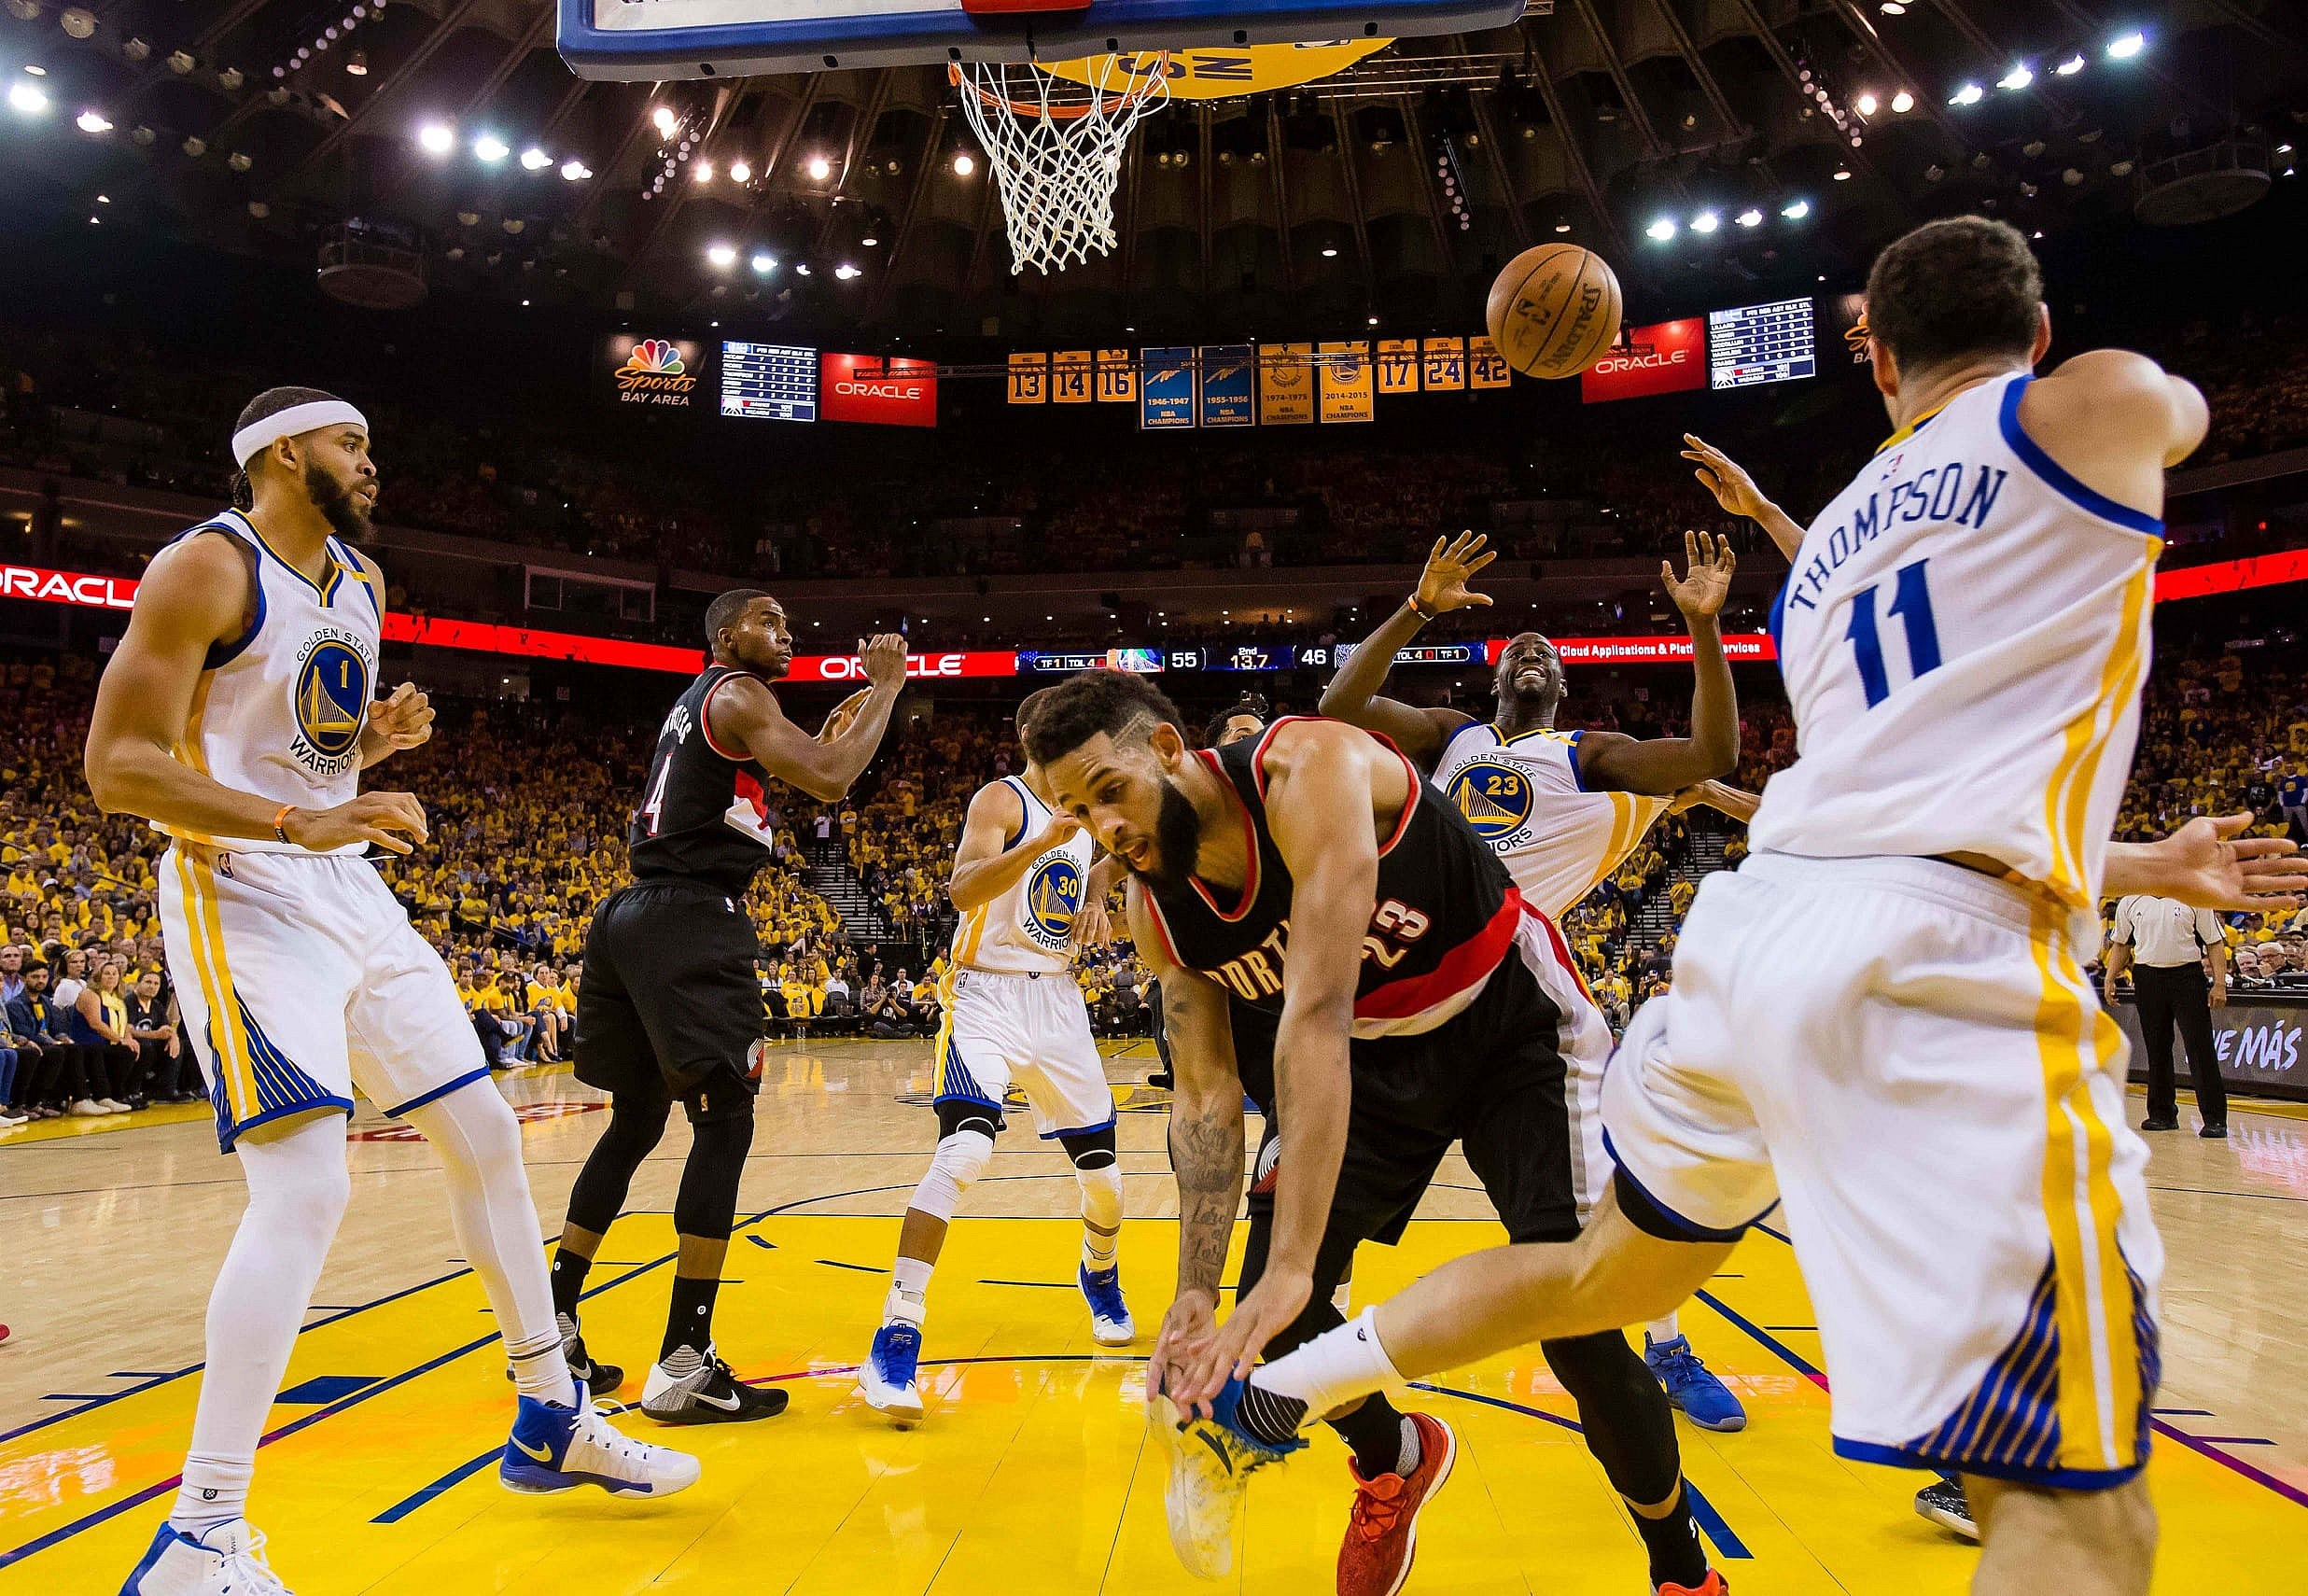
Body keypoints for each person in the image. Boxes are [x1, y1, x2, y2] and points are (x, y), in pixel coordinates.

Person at [1162, 217, 2308, 1596]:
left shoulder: (1812, 581)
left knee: (1591, 1279)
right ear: (2040, 334)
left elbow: (1816, 789)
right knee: (2072, 1500)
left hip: (1723, 943)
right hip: (1923, 953)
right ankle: (1374, 1420)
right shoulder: (2082, 406)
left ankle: (1305, 1393)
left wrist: (1751, 571)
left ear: (1873, 357)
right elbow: (2154, 428)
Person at [89, 385, 695, 1596]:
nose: (371, 458)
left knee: (485, 1134)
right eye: (349, 440)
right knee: (309, 1182)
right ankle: (198, 1534)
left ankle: (547, 1411)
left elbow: (286, 741)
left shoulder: (359, 581)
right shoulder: (206, 565)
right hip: (242, 891)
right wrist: (299, 814)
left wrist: (363, 750)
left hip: (346, 882)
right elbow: (120, 766)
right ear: (279, 453)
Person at [1025, 670, 1726, 1596]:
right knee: (1273, 1326)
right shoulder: (1161, 913)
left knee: (1576, 1309)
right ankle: (1395, 1453)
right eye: (1076, 814)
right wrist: (1193, 1293)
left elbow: (1311, 1014)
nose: (1104, 829)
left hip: (1506, 1023)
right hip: (1370, 1056)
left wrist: (1290, 1262)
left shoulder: (1306, 767)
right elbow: (1203, 1098)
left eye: (1108, 792)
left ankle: (1681, 1569)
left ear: (1165, 750)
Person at [1321, 527, 1754, 1434]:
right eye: (1516, 649)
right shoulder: (1451, 737)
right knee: (1332, 1180)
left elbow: (1712, 751)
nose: (1530, 653)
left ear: (1560, 688)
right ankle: (1323, 1339)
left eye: (1546, 656)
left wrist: (1704, 630)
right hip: (1417, 971)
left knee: (1590, 1204)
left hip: (1519, 984)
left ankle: (1665, 1346)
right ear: (1493, 680)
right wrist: (1417, 608)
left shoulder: (1590, 755)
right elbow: (1340, 703)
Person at [550, 590, 907, 1424]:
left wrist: (836, 729)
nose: (786, 633)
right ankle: (684, 1362)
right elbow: (829, 777)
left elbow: (807, 760)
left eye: (788, 623)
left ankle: (552, 1323)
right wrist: (887, 688)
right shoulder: (742, 694)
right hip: (689, 917)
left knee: (635, 1122)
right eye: (769, 621)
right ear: (724, 635)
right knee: (723, 1124)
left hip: (629, 915)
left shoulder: (700, 704)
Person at [860, 708, 1132, 1425]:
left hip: (1059, 1000)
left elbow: (1122, 853)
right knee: (965, 1151)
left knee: (1105, 1182)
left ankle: (1097, 1273)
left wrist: (1100, 886)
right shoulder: (1002, 800)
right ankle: (896, 1331)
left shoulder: (1090, 805)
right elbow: (962, 890)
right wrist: (1039, 842)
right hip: (983, 992)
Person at [2104, 894, 2231, 1137]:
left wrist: (2219, 984)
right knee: (2156, 1046)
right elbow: (2121, 944)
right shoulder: (2130, 900)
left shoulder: (2194, 896)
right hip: (2147, 976)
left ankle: (2215, 1118)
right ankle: (2162, 1114)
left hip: (2188, 977)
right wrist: (2110, 977)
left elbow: (2214, 943)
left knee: (2199, 1046)